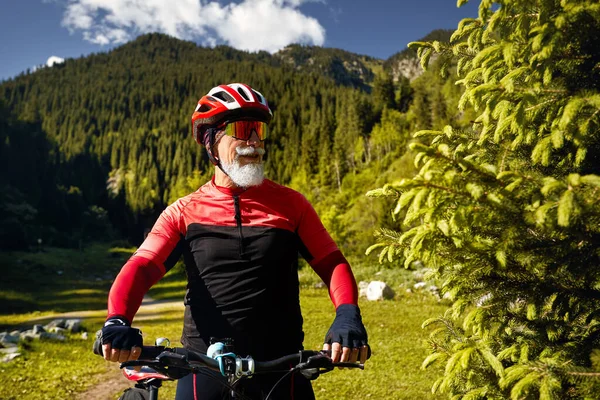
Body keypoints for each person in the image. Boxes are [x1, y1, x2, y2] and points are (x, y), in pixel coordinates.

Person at [98, 83, 369, 399]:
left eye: (258, 129)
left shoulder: (292, 205)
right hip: (203, 366)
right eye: (242, 129)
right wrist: (117, 319)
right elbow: (142, 267)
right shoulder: (184, 211)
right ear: (210, 140)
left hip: (283, 366)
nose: (254, 141)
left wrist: (347, 314)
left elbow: (331, 262)